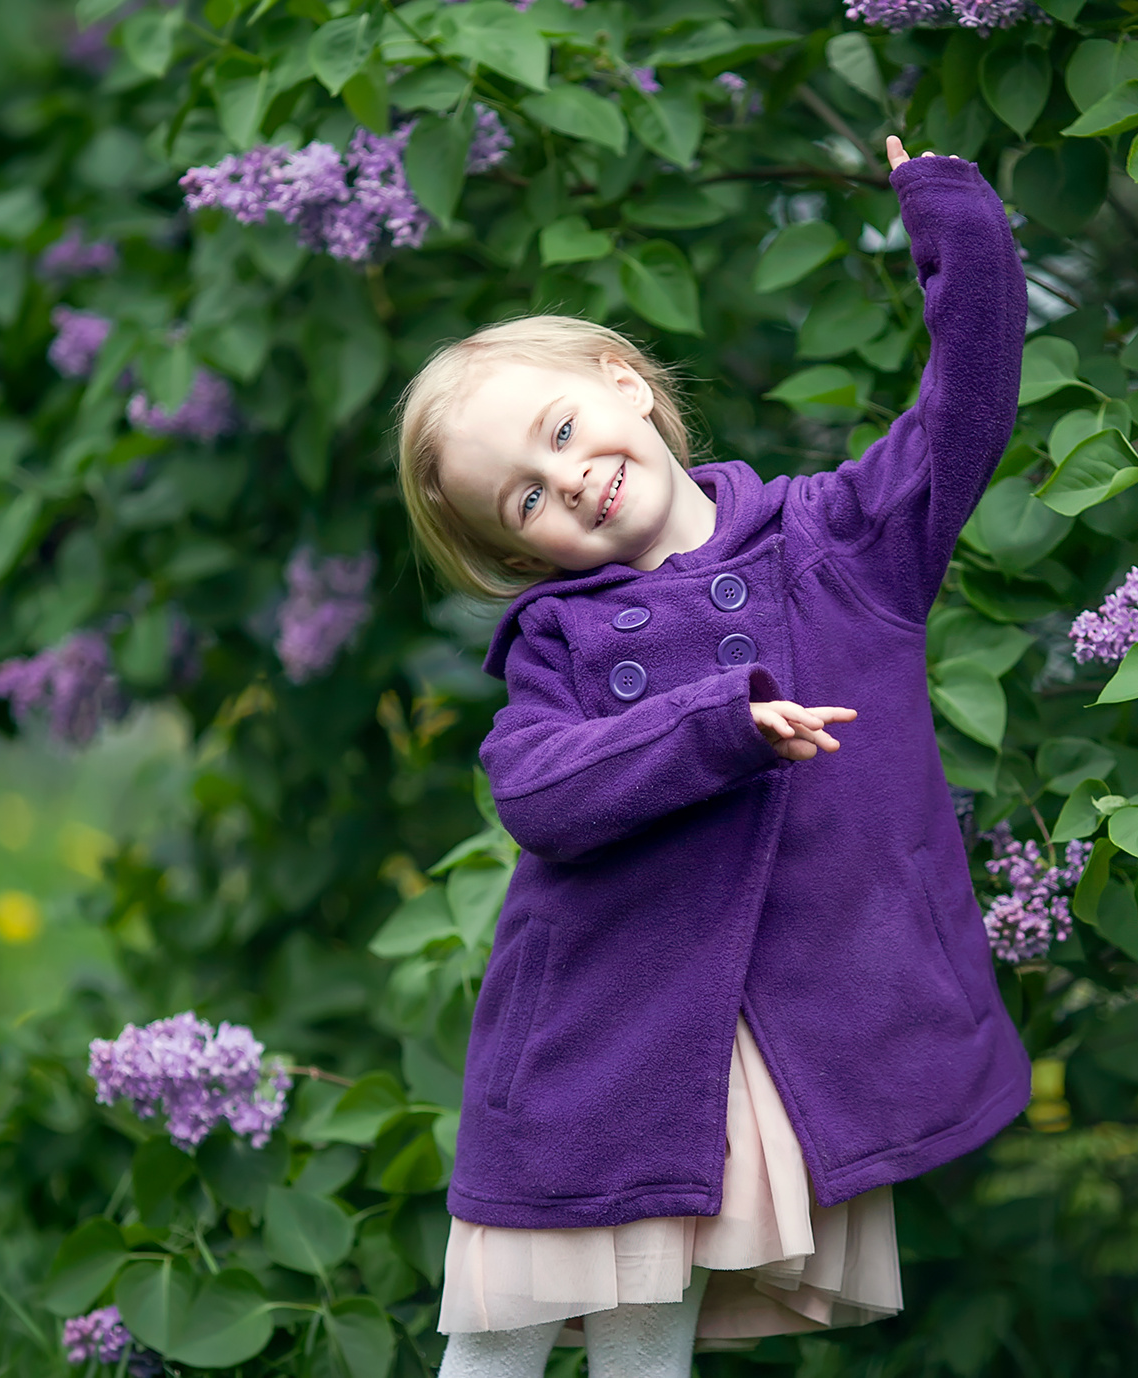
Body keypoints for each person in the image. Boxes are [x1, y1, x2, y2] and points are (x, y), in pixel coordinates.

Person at [392, 134, 1029, 1375]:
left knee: (646, 1346)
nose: (568, 478)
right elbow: (535, 788)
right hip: (597, 1035)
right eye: (523, 497)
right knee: (495, 1349)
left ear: (625, 382)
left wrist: (951, 215)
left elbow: (966, 405)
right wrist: (712, 727)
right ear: (519, 555)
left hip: (770, 1031)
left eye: (562, 429)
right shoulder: (558, 638)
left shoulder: (836, 542)